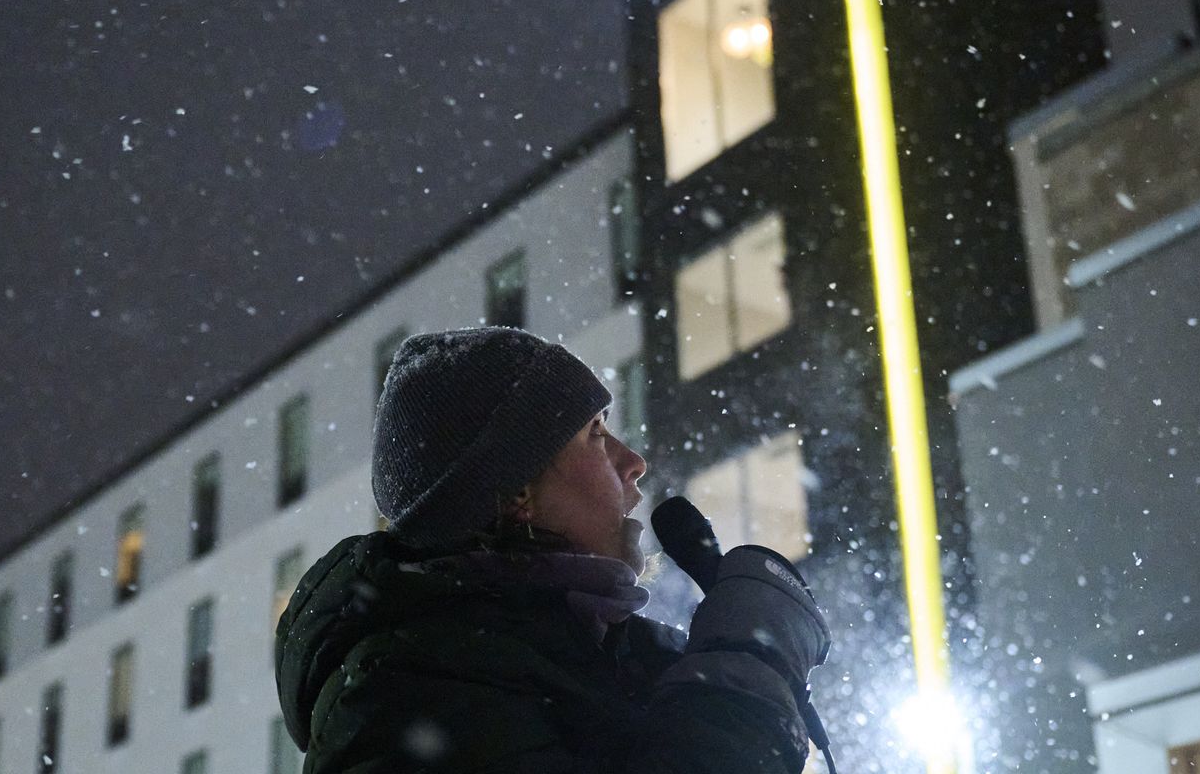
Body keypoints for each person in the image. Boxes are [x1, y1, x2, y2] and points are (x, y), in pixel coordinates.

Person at [274, 326, 831, 772]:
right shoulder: (407, 699)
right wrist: (750, 667)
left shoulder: (611, 658)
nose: (632, 460)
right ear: (517, 493)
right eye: (593, 432)